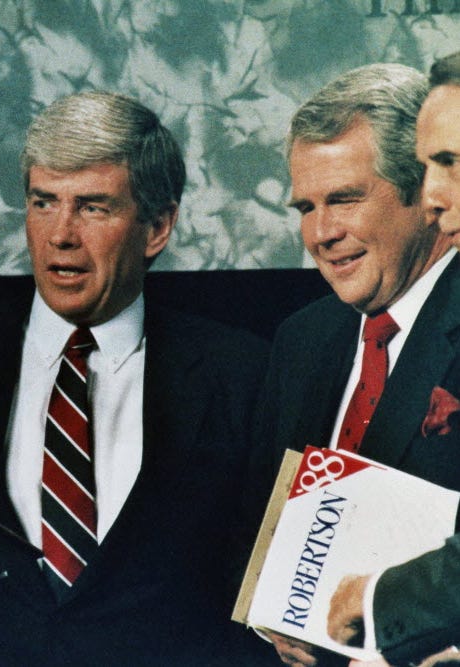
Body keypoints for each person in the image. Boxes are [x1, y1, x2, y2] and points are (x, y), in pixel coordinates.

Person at [0, 90, 272, 664]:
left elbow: (254, 605)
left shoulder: (243, 375)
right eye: (43, 202)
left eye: (93, 207)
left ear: (158, 227)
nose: (60, 234)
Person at [251, 62, 459, 667]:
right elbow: (256, 530)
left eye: (344, 199)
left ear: (423, 192)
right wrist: (273, 622)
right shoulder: (301, 340)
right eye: (304, 207)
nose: (321, 233)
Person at [325, 50, 460, 667]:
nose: (433, 195)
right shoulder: (303, 342)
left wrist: (379, 602)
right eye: (427, 166)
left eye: (451, 163)